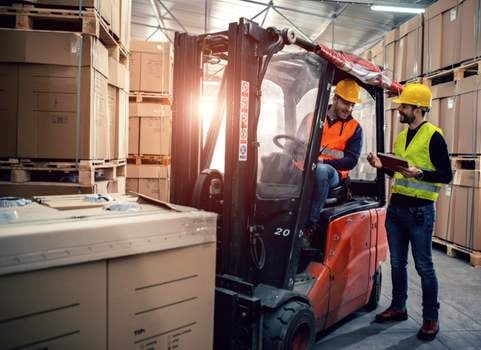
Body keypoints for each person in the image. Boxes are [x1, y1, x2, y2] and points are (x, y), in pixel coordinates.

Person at [367, 83, 453, 341]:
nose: (399, 110)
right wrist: (382, 166)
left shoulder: (433, 136)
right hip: (397, 210)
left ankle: (430, 318)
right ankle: (398, 307)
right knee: (396, 263)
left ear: (417, 109)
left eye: (403, 106)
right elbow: (399, 173)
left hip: (420, 213)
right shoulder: (402, 137)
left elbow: (446, 175)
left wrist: (421, 173)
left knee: (424, 266)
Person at [303, 79, 363, 234]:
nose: (349, 108)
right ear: (335, 99)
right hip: (305, 168)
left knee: (321, 170)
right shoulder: (312, 117)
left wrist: (322, 161)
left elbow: (351, 160)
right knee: (274, 160)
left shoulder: (354, 128)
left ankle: (310, 226)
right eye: (346, 103)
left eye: (352, 105)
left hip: (334, 175)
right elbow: (297, 143)